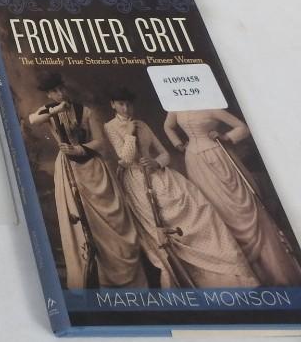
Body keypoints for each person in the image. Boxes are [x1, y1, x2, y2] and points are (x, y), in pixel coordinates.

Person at [104, 88, 257, 288]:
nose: (126, 108)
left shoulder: (143, 124)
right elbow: (125, 158)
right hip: (137, 182)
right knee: (165, 229)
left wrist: (156, 163)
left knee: (201, 209)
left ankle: (227, 276)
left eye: (129, 104)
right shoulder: (110, 127)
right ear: (113, 105)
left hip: (160, 175)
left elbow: (164, 154)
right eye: (121, 104)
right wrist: (130, 134)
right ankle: (189, 279)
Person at [27, 72, 147, 289]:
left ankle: (122, 272)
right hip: (69, 168)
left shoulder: (85, 111)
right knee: (82, 220)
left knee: (113, 217)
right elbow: (33, 120)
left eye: (61, 88)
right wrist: (56, 110)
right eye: (54, 91)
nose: (59, 93)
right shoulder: (48, 111)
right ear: (49, 94)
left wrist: (80, 148)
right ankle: (93, 275)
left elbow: (100, 142)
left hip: (93, 167)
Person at [164, 108, 301, 285]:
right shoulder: (175, 108)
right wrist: (178, 144)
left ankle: (273, 272)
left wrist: (226, 137)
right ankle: (246, 278)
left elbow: (242, 127)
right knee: (216, 208)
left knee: (240, 208)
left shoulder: (211, 106)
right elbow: (168, 126)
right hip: (195, 162)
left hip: (218, 155)